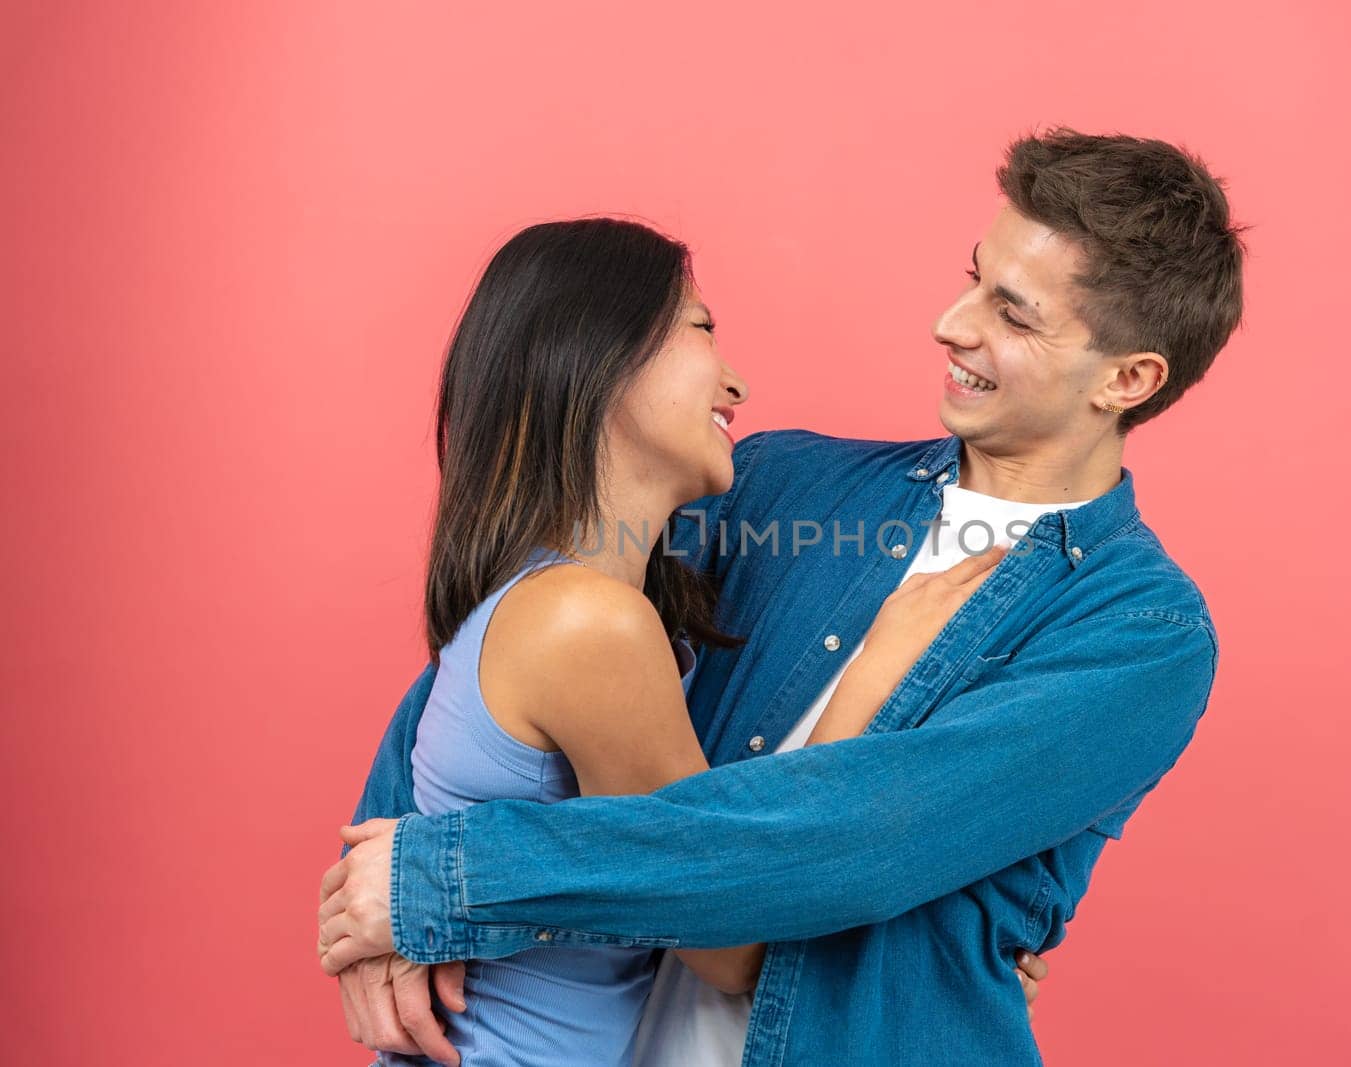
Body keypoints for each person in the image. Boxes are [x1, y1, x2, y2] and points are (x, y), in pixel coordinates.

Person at [318, 127, 1246, 1066]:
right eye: (973, 277)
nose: (952, 323)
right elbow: (521, 640)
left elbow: (841, 839)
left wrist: (441, 879)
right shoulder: (780, 487)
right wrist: (377, 894)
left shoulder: (1137, 632)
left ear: (1127, 379)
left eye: (1012, 313)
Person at [341, 215, 1011, 1066]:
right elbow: (728, 943)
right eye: (702, 328)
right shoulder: (587, 624)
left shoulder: (568, 604)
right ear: (601, 354)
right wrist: (875, 665)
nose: (736, 381)